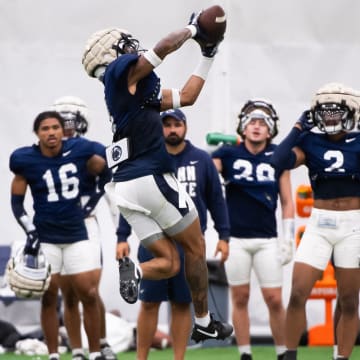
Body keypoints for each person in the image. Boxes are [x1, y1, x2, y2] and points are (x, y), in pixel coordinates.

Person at [81, 14, 233, 342]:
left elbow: (189, 97)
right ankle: (205, 320)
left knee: (169, 262)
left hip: (126, 189)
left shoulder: (134, 94)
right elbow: (164, 46)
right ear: (113, 54)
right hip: (150, 177)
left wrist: (208, 54)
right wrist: (196, 29)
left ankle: (137, 270)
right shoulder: (122, 73)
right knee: (196, 245)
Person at [116, 108, 231, 359]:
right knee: (148, 303)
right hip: (155, 240)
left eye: (176, 124)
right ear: (159, 128)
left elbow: (216, 200)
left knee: (182, 303)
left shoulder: (201, 160)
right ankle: (141, 358)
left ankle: (179, 358)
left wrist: (224, 236)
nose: (172, 129)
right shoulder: (147, 159)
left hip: (188, 244)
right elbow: (131, 199)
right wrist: (121, 236)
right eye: (166, 125)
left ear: (185, 126)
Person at [9, 111, 112, 360]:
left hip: (78, 233)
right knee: (48, 297)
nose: (51, 132)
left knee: (88, 293)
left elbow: (108, 165)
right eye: (45, 128)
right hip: (46, 236)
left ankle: (95, 351)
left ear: (61, 130)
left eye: (55, 127)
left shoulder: (79, 148)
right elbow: (16, 202)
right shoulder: (24, 159)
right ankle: (54, 354)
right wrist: (30, 231)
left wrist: (93, 201)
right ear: (37, 133)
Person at [270, 82, 360, 360]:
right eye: (325, 112)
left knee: (348, 300)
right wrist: (297, 129)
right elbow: (278, 161)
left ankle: (341, 356)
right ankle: (289, 355)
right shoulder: (309, 140)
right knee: (297, 292)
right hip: (320, 223)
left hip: (353, 224)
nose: (330, 118)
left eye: (336, 112)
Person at [212, 99, 295, 360]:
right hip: (235, 237)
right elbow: (209, 181)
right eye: (252, 122)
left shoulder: (278, 156)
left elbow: (287, 201)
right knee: (240, 297)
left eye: (262, 123)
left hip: (267, 238)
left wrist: (289, 238)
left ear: (270, 130)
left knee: (273, 298)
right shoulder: (226, 153)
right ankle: (245, 353)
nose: (257, 127)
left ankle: (283, 352)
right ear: (243, 128)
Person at [52, 96, 117, 360]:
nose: (66, 127)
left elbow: (109, 187)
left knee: (89, 290)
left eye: (71, 121)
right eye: (61, 121)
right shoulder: (44, 153)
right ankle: (78, 350)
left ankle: (100, 343)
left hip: (85, 224)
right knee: (67, 293)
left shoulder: (91, 149)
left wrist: (120, 230)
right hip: (56, 225)